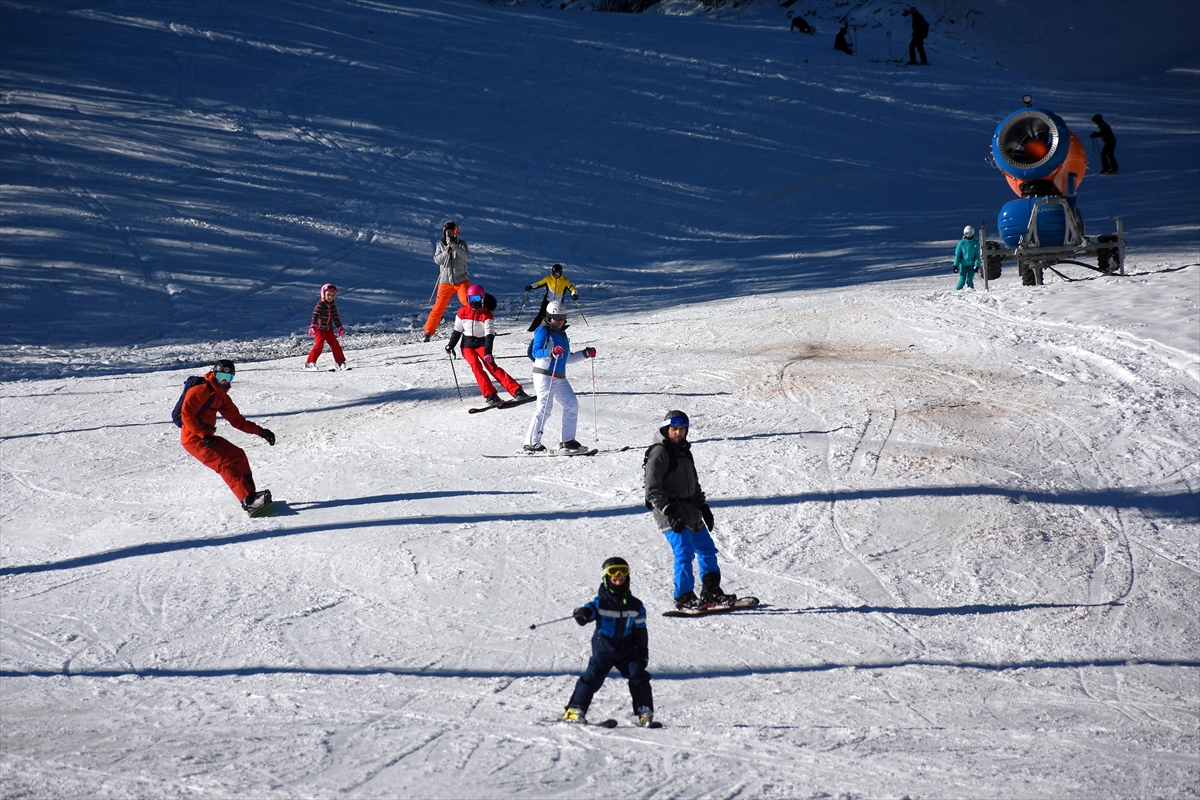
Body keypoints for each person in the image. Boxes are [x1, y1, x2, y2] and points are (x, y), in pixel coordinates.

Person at [643, 410, 735, 611]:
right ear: (666, 429)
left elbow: (694, 485)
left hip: (691, 511)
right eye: (674, 429)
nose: (678, 433)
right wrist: (669, 511)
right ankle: (683, 597)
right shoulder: (659, 452)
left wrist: (703, 507)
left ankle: (711, 591)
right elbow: (652, 490)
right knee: (684, 552)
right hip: (670, 512)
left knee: (707, 550)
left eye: (682, 429)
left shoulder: (685, 451)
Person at [563, 557, 655, 727]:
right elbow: (585, 615)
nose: (618, 582)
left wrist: (642, 651)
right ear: (607, 580)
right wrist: (581, 613)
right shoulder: (600, 602)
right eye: (614, 579)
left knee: (639, 675)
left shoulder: (636, 605)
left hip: (626, 649)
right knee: (592, 677)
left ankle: (644, 712)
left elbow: (640, 630)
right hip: (604, 647)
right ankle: (575, 709)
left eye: (622, 579)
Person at [179, 359, 275, 514]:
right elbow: (186, 415)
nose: (224, 380)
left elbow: (237, 421)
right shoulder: (199, 390)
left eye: (229, 377)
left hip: (207, 437)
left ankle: (252, 495)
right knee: (224, 464)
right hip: (193, 439)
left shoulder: (222, 397)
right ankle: (248, 501)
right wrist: (203, 435)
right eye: (221, 375)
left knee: (238, 455)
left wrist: (261, 431)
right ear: (214, 374)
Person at [524, 301, 596, 453]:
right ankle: (531, 443)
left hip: (559, 376)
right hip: (544, 375)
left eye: (562, 318)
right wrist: (551, 351)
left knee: (571, 404)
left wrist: (585, 354)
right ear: (550, 317)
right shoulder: (543, 331)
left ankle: (567, 441)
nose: (559, 321)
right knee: (544, 408)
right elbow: (537, 352)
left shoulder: (562, 334)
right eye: (556, 318)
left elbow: (566, 358)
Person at [445, 283, 529, 407]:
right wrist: (450, 345)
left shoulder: (487, 314)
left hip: (482, 342)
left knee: (491, 366)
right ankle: (490, 395)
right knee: (475, 366)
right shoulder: (462, 311)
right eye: (471, 299)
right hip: (467, 345)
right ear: (468, 299)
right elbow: (457, 331)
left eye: (477, 299)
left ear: (482, 299)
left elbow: (489, 334)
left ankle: (516, 391)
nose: (474, 301)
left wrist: (488, 352)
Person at [424, 220, 471, 343]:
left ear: (455, 232)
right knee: (438, 307)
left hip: (461, 280)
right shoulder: (440, 245)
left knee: (468, 302)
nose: (448, 234)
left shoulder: (461, 244)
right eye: (447, 232)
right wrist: (447, 251)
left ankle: (479, 326)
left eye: (451, 232)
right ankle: (428, 332)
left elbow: (466, 256)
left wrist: (454, 246)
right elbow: (437, 260)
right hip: (445, 281)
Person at [524, 263, 579, 332]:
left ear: (561, 273)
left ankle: (560, 329)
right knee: (541, 315)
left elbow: (572, 289)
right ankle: (532, 330)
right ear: (552, 273)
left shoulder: (565, 281)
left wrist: (574, 295)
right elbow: (539, 283)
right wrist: (531, 286)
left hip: (558, 302)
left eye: (558, 274)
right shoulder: (548, 279)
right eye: (555, 273)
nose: (556, 275)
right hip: (548, 300)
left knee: (559, 316)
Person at [304, 283, 347, 370]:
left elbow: (335, 317)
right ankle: (309, 363)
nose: (330, 297)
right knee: (319, 346)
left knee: (335, 345)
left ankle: (340, 361)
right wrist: (313, 325)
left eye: (332, 295)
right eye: (328, 295)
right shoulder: (320, 305)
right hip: (320, 329)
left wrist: (339, 327)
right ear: (323, 294)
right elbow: (315, 315)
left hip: (328, 330)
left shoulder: (333, 305)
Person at [953, 225, 979, 290]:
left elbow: (977, 255)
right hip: (963, 264)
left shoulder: (976, 243)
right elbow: (957, 254)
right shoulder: (961, 243)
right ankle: (958, 292)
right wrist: (955, 265)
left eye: (970, 233)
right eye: (967, 233)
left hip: (972, 264)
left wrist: (976, 265)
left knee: (970, 280)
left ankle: (972, 292)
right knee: (962, 280)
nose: (969, 235)